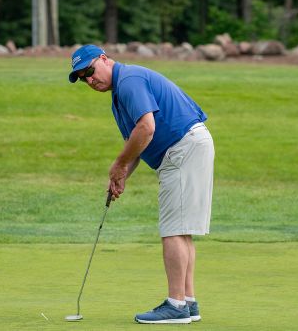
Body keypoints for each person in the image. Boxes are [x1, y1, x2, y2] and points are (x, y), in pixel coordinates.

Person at [68, 45, 214, 324]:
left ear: (104, 59)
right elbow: (135, 143)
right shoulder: (120, 94)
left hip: (183, 147)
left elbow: (147, 127)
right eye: (82, 77)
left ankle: (176, 305)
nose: (89, 79)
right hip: (189, 146)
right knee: (182, 230)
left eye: (89, 70)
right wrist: (122, 175)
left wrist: (119, 165)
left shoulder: (128, 81)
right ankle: (188, 302)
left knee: (173, 230)